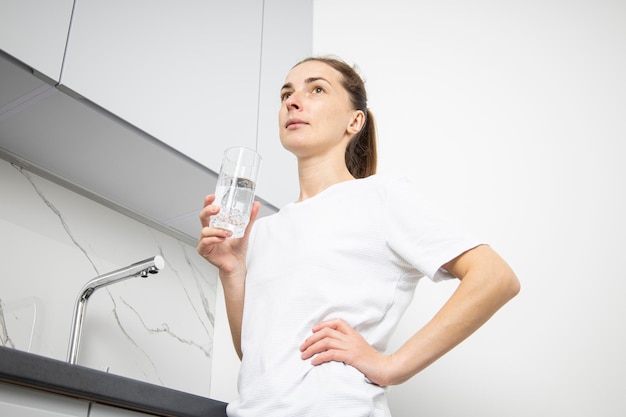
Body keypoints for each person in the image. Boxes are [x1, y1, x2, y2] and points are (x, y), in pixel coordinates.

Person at [197, 56, 520, 417]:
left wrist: (392, 366)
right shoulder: (264, 230)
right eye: (286, 93)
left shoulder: (380, 198)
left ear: (355, 120)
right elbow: (255, 353)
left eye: (316, 89)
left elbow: (495, 277)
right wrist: (232, 269)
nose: (292, 101)